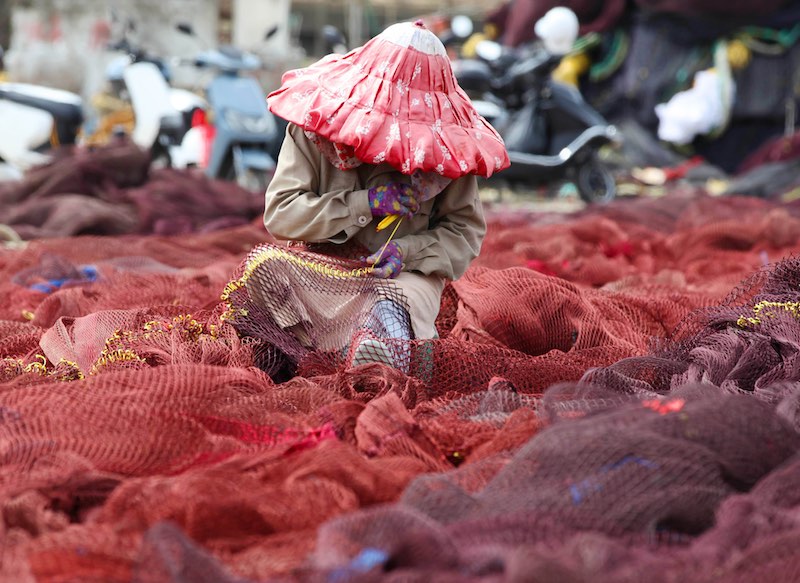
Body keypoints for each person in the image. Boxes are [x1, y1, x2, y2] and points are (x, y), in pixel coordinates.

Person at [260, 19, 509, 369]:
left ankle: (383, 355)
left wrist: (406, 252)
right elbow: (282, 216)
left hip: (398, 281)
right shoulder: (313, 128)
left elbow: (464, 234)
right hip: (321, 270)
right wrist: (367, 204)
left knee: (388, 306)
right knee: (265, 269)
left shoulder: (447, 150)